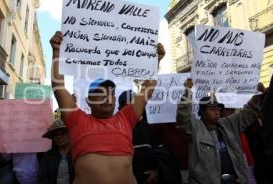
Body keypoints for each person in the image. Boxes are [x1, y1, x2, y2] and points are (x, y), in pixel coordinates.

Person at [50, 31, 165, 184]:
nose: (107, 97)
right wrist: (57, 51)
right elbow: (58, 86)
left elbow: (148, 87)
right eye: (99, 93)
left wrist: (155, 61)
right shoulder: (77, 120)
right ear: (88, 100)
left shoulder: (126, 118)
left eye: (111, 93)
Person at [176, 78, 262, 184]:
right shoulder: (196, 129)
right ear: (202, 112)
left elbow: (248, 112)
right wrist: (188, 92)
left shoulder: (229, 124)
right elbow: (183, 116)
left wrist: (258, 95)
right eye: (211, 109)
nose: (216, 111)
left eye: (218, 109)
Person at [38, 119, 74, 184]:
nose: (59, 137)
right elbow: (42, 177)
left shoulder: (77, 154)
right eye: (55, 135)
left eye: (62, 133)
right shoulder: (48, 156)